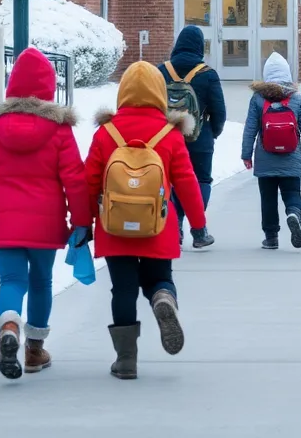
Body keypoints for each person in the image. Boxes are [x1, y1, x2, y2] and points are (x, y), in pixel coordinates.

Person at [0, 47, 92, 381]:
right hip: (45, 225)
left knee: (11, 281)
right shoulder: (59, 130)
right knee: (40, 282)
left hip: (2, 222)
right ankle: (35, 351)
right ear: (49, 89)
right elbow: (75, 180)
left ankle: (9, 324)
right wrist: (81, 221)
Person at [84, 61, 211, 380]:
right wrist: (198, 224)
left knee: (123, 289)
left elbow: (88, 181)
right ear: (158, 93)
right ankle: (163, 298)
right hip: (159, 224)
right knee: (159, 277)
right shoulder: (170, 134)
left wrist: (83, 222)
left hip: (115, 228)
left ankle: (126, 360)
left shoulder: (106, 132)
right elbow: (186, 181)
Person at [241, 52, 301, 250]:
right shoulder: (296, 99)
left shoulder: (258, 99)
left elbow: (250, 128)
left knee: (268, 199)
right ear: (287, 74)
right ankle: (293, 213)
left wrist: (246, 154)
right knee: (292, 192)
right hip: (291, 158)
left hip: (265, 158)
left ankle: (271, 238)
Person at [159, 25, 226, 247]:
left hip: (167, 136)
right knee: (202, 180)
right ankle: (199, 231)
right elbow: (219, 111)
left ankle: (174, 224)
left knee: (168, 180)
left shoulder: (161, 71)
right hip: (199, 137)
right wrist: (211, 133)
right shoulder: (208, 74)